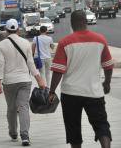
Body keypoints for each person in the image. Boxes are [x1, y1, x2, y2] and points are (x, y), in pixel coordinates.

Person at [48, 10, 114, 148]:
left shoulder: (65, 42)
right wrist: (107, 83)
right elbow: (108, 65)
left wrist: (52, 91)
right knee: (101, 124)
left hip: (71, 93)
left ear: (72, 23)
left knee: (73, 128)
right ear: (86, 21)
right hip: (94, 92)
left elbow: (58, 71)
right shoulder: (100, 40)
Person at [0, 19, 46, 146]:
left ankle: (13, 133)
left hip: (9, 81)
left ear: (6, 31)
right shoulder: (26, 43)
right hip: (24, 80)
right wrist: (39, 79)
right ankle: (25, 135)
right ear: (18, 29)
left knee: (11, 108)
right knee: (23, 107)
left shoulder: (1, 45)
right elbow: (30, 63)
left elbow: (0, 64)